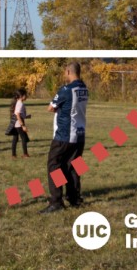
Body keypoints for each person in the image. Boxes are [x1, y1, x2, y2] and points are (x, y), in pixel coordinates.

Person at [41, 62, 88, 213]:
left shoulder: (66, 89)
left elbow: (50, 108)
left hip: (64, 135)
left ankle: (56, 200)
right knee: (74, 167)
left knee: (54, 166)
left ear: (68, 71)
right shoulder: (84, 88)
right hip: (79, 135)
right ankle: (74, 198)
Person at [11, 88, 31, 159]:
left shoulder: (18, 102)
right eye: (25, 95)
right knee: (24, 138)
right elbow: (18, 115)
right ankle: (25, 154)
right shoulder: (20, 104)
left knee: (15, 139)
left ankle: (13, 155)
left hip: (16, 124)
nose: (26, 96)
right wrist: (23, 125)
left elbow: (19, 114)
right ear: (21, 96)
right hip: (19, 124)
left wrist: (26, 116)